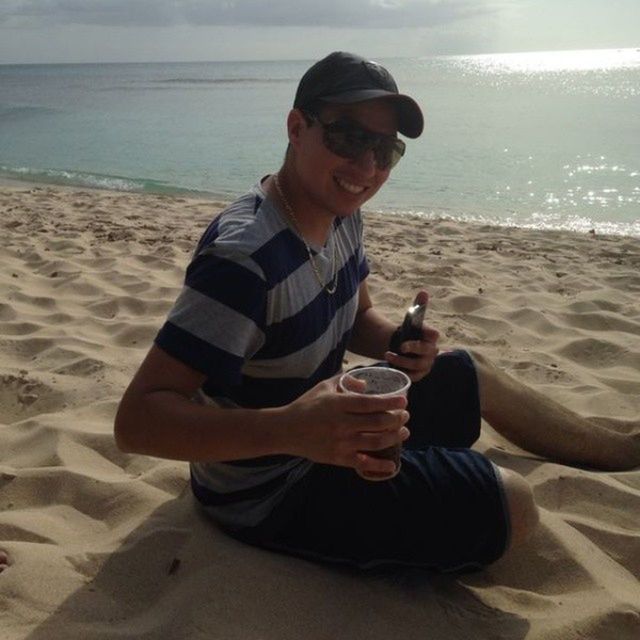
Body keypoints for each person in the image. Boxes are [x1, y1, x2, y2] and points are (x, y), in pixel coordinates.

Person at [114, 51, 639, 572]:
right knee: (515, 506)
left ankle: (615, 450)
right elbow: (138, 422)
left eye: (385, 149)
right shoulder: (242, 259)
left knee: (467, 368)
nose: (367, 167)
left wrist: (402, 343)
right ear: (297, 127)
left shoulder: (339, 216)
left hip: (324, 427)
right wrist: (290, 430)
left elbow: (358, 319)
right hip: (265, 488)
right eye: (348, 137)